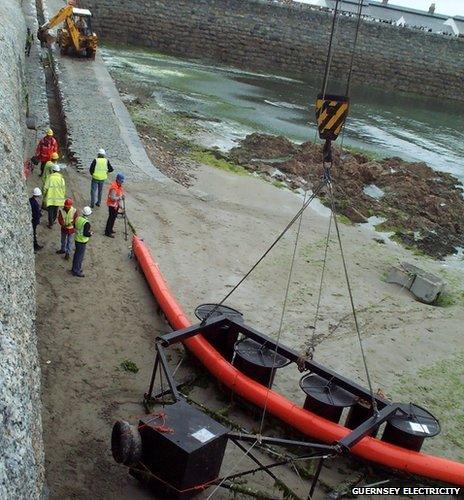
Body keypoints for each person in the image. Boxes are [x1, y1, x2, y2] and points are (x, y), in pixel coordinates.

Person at [71, 206, 92, 277]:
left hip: (77, 239)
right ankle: (76, 270)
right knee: (79, 257)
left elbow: (74, 225)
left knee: (76, 255)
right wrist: (90, 234)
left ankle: (75, 268)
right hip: (82, 241)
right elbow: (86, 234)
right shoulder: (87, 223)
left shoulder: (78, 218)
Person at [43, 164, 66, 228]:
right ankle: (53, 221)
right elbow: (63, 189)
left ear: (53, 170)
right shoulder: (61, 179)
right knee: (56, 210)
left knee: (50, 211)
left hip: (51, 198)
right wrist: (62, 197)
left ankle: (50, 223)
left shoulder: (50, 177)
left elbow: (45, 188)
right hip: (58, 198)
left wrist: (44, 195)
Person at [104, 173, 125, 238]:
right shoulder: (114, 187)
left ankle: (110, 229)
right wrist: (120, 198)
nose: (122, 182)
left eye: (122, 181)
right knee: (111, 218)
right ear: (117, 180)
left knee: (113, 218)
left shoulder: (119, 186)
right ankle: (107, 232)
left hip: (116, 205)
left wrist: (120, 204)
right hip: (112, 205)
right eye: (121, 181)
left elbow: (119, 195)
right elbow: (112, 198)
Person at [29, 187, 43, 251]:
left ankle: (35, 245)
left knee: (34, 233)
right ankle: (35, 246)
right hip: (34, 221)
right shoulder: (35, 203)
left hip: (32, 220)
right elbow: (36, 213)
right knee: (34, 233)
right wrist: (39, 215)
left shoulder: (30, 200)